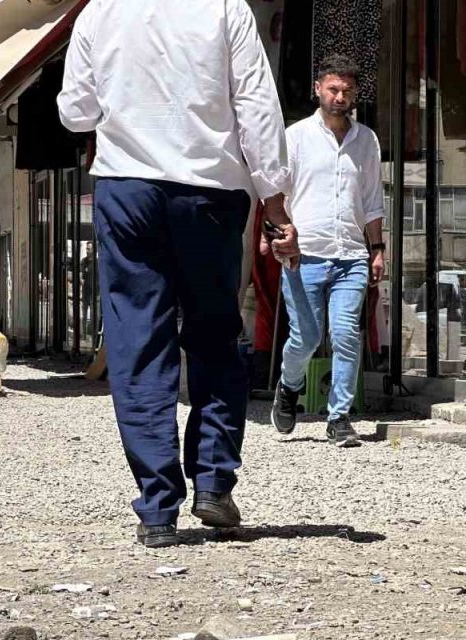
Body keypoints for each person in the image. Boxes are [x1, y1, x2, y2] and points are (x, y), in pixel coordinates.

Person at [58, 0, 300, 548]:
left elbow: (75, 113)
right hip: (209, 191)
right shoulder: (225, 9)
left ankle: (157, 508)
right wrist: (276, 202)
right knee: (215, 333)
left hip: (126, 187)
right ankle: (213, 483)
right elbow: (257, 107)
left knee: (138, 339)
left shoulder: (100, 11)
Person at [271, 54, 386, 448]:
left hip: (351, 254)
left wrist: (378, 249)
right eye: (333, 89)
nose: (340, 96)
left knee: (345, 334)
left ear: (355, 95)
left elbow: (372, 201)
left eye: (347, 91)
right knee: (304, 338)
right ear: (318, 89)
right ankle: (289, 387)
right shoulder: (296, 137)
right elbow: (275, 192)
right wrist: (278, 233)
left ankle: (339, 417)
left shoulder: (366, 140)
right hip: (305, 254)